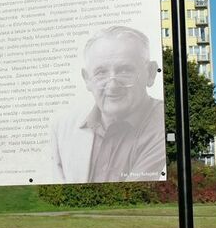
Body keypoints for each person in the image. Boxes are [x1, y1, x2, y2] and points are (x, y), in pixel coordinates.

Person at [43, 25, 166, 183]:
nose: (112, 86)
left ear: (150, 73)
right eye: (101, 72)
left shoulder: (164, 124)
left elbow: (135, 197)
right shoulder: (62, 128)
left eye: (124, 70)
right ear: (87, 79)